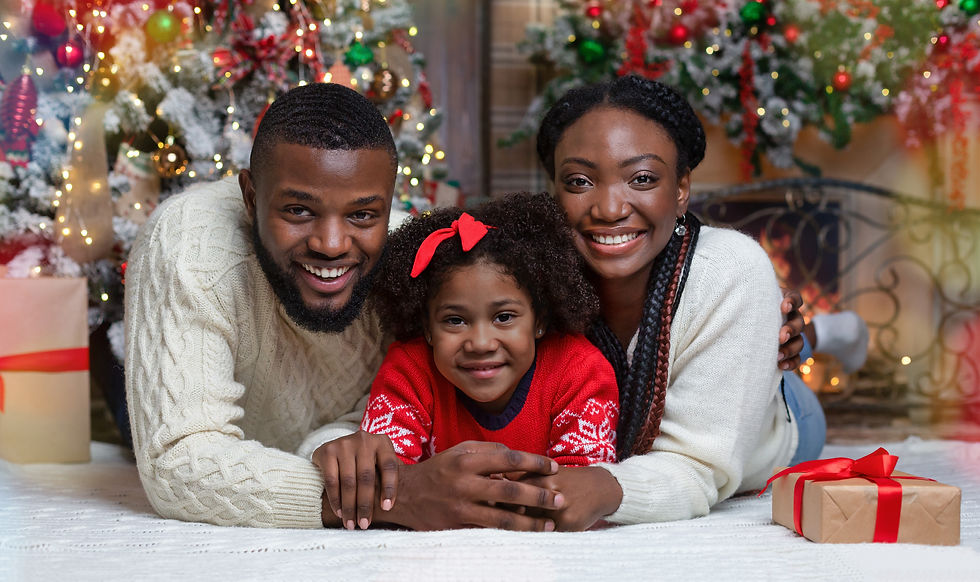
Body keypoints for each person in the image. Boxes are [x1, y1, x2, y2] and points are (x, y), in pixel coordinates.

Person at [124, 83, 567, 530]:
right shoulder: (187, 246)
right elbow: (178, 459)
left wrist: (339, 446)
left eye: (362, 215)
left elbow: (383, 409)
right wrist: (395, 497)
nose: (331, 245)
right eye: (298, 210)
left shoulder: (409, 262)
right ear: (252, 195)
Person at [507, 75, 831, 529]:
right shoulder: (524, 268)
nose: (609, 208)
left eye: (641, 178)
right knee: (767, 325)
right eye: (579, 181)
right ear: (554, 190)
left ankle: (832, 332)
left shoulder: (731, 268)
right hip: (713, 352)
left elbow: (699, 468)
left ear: (681, 189)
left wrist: (605, 489)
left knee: (785, 336)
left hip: (783, 422)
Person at [316, 193, 619, 528]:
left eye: (504, 317)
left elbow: (576, 497)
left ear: (540, 321)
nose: (480, 343)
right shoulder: (410, 370)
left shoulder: (579, 371)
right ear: (427, 329)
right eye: (455, 321)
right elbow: (385, 480)